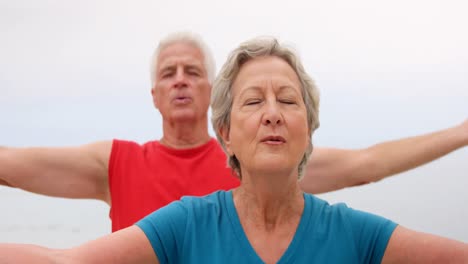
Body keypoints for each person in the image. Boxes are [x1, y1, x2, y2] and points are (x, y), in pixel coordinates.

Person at [1, 36, 467, 264]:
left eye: (192, 70)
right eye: (168, 73)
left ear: (210, 95)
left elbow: (369, 164)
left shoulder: (271, 156)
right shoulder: (120, 166)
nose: (181, 79)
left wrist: (462, 131)